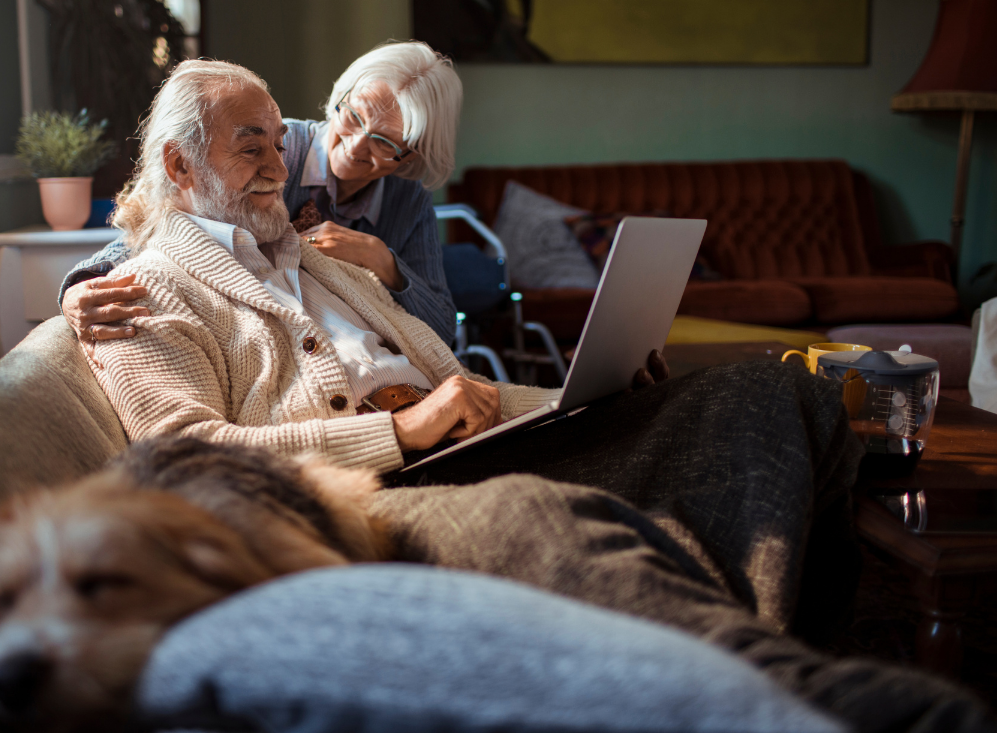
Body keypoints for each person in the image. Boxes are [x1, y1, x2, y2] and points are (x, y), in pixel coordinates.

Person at [80, 59, 994, 731]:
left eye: (281, 143)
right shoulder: (146, 292)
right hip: (387, 486)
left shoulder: (325, 257)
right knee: (542, 522)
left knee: (770, 396)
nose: (285, 164)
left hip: (477, 437)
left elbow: (455, 375)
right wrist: (396, 437)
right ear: (178, 165)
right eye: (253, 148)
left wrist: (579, 396)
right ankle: (794, 692)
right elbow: (178, 454)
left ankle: (754, 655)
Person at [60, 41, 461, 349]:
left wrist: (382, 260)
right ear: (340, 96)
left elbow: (443, 328)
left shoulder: (407, 199)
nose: (355, 147)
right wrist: (82, 284)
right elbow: (161, 220)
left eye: (383, 142)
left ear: (414, 155)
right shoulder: (271, 146)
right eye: (352, 116)